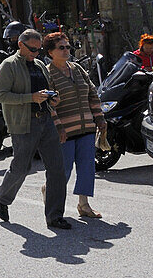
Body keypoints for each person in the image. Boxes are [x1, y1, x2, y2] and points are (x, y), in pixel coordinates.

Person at [0, 28, 71, 230]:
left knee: (57, 169)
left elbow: (45, 90)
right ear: (20, 45)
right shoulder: (8, 65)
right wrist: (31, 98)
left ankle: (54, 216)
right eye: (32, 49)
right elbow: (2, 96)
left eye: (39, 50)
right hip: (23, 123)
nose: (36, 53)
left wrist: (52, 99)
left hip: (45, 120)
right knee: (21, 167)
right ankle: (2, 197)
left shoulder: (39, 65)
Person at [44, 32, 105, 219]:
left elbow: (92, 94)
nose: (66, 50)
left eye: (68, 47)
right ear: (50, 52)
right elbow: (48, 104)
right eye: (61, 48)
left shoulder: (77, 69)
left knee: (87, 167)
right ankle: (51, 194)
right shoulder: (48, 73)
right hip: (65, 130)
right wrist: (58, 127)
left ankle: (84, 204)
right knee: (64, 169)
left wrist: (99, 118)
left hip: (86, 126)